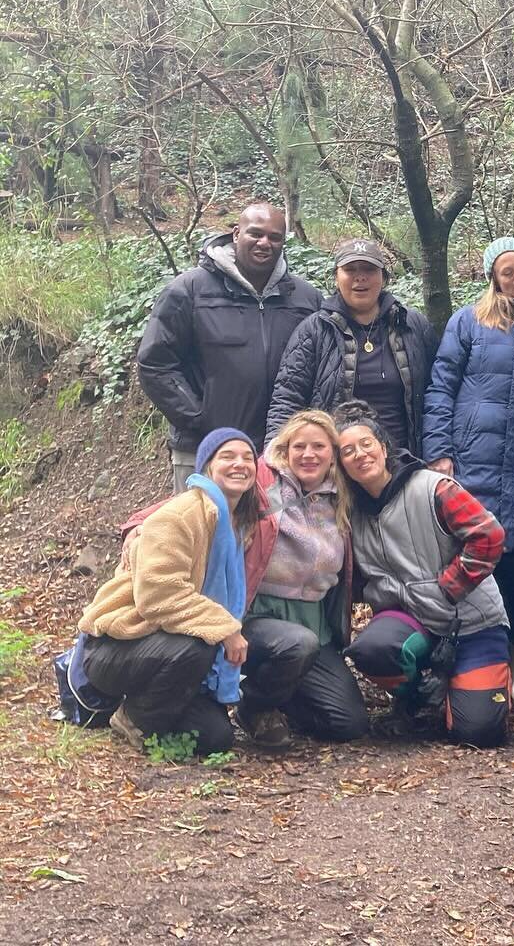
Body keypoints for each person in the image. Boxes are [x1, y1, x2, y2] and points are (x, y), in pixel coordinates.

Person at [423, 237, 514, 704]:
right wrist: (440, 451)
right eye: (507, 270)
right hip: (470, 458)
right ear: (493, 277)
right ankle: (454, 659)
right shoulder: (468, 322)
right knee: (463, 555)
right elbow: (441, 387)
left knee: (509, 561)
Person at [334, 403, 511, 747]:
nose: (360, 455)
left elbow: (488, 536)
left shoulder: (432, 487)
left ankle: (454, 687)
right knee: (371, 649)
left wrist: (448, 588)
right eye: (348, 451)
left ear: (384, 448)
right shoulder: (349, 512)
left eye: (366, 444)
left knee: (478, 732)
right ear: (340, 465)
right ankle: (414, 697)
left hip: (472, 622)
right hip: (411, 619)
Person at [77, 429, 259, 757]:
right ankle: (133, 719)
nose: (239, 464)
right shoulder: (179, 516)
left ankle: (149, 705)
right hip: (115, 646)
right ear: (206, 467)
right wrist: (227, 628)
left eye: (248, 458)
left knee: (215, 738)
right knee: (199, 644)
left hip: (163, 646)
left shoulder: (235, 524)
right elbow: (158, 596)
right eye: (227, 456)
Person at [139, 203, 322, 492]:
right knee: (201, 533)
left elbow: (319, 367)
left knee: (266, 537)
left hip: (276, 452)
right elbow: (155, 363)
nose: (265, 243)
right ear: (236, 234)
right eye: (256, 234)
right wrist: (200, 417)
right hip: (204, 447)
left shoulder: (305, 299)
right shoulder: (189, 290)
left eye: (275, 237)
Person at [239, 411, 369, 749]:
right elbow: (199, 496)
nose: (308, 454)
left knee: (349, 722)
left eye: (319, 447)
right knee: (298, 645)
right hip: (257, 617)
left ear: (333, 454)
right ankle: (253, 705)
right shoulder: (261, 483)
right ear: (286, 450)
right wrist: (138, 526)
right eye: (299, 446)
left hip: (314, 623)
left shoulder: (343, 496)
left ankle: (282, 695)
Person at [267, 239, 437, 454]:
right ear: (336, 277)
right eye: (350, 270)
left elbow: (437, 393)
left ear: (383, 277)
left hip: (405, 459)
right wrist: (275, 455)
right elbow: (288, 397)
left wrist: (438, 451)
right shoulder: (315, 330)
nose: (360, 277)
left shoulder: (412, 325)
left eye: (369, 269)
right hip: (339, 462)